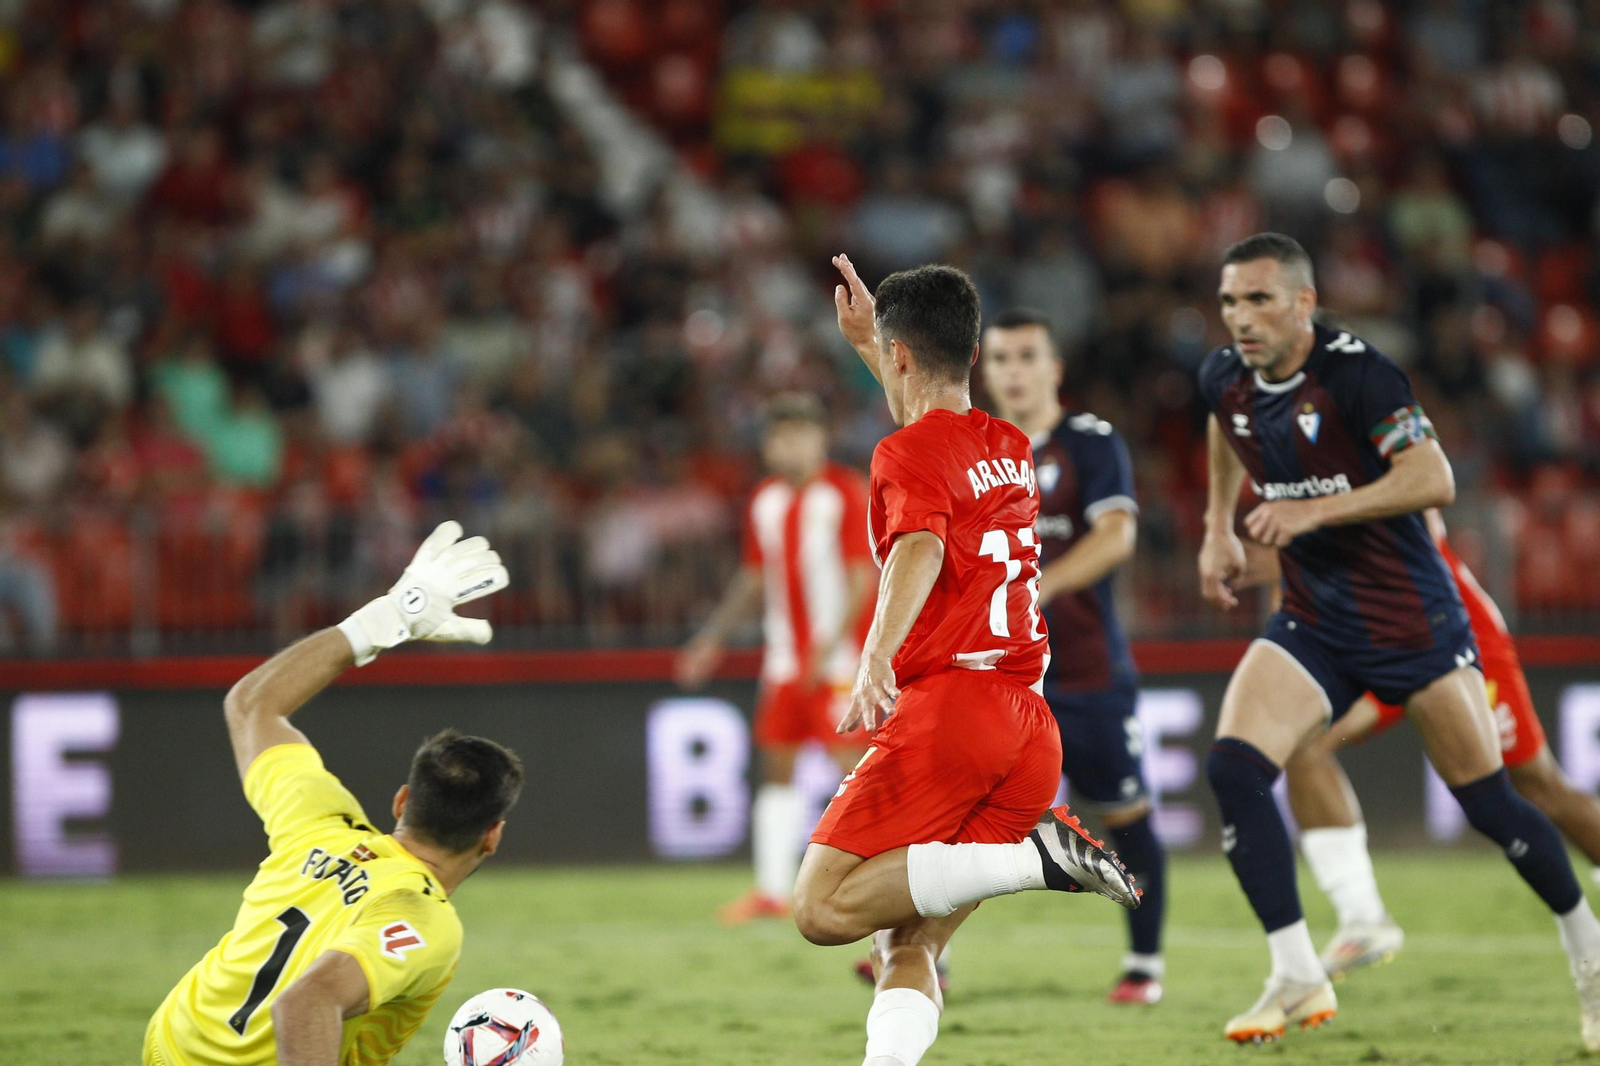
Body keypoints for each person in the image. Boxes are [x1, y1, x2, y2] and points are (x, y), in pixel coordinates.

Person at [1196, 231, 1600, 1047]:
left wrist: (1311, 510)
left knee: (1495, 801)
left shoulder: (1359, 374)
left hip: (1412, 620)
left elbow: (1434, 477)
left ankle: (1590, 955)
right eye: (1232, 301)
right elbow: (1225, 426)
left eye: (1261, 300)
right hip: (1314, 618)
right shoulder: (1224, 378)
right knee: (1234, 768)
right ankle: (1296, 970)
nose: (1242, 318)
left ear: (1305, 304)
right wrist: (1215, 528)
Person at [794, 254, 1138, 1066]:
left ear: (901, 355)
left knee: (821, 909)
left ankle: (1031, 859)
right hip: (1028, 731)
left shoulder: (903, 456)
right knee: (905, 944)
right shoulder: (1009, 444)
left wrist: (875, 655)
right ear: (975, 354)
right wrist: (871, 346)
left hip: (954, 713)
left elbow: (918, 540)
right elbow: (932, 427)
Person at [143, 521, 519, 1066]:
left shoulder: (319, 821)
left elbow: (252, 705)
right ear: (492, 836)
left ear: (400, 802)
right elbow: (305, 1002)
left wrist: (386, 618)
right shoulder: (426, 920)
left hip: (173, 1040)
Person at [1260, 508, 1600, 978]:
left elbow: (1420, 519)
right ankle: (1363, 919)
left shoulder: (1374, 445)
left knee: (1538, 785)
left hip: (1446, 635)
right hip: (1363, 638)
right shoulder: (1289, 465)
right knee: (1303, 743)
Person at [978, 308, 1166, 1004]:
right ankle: (921, 956)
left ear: (1055, 368)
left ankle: (1145, 964)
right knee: (954, 818)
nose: (1014, 371)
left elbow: (1117, 535)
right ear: (984, 371)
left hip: (1087, 673)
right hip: (998, 678)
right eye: (1000, 359)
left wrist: (1043, 584)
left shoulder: (1090, 444)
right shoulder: (976, 449)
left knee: (1125, 814)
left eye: (1028, 356)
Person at [676, 392, 877, 922]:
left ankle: (881, 877)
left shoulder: (846, 493)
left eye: (801, 435)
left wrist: (831, 646)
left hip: (839, 662)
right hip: (785, 661)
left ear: (821, 440)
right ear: (767, 446)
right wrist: (711, 639)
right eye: (781, 436)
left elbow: (863, 577)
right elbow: (752, 576)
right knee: (777, 766)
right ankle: (771, 890)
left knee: (854, 770)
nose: (790, 446)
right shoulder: (764, 499)